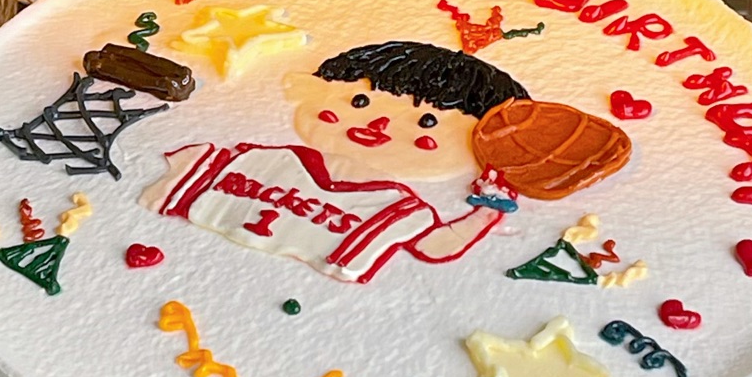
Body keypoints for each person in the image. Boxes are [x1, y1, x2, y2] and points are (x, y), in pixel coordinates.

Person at [141, 39, 529, 284]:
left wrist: (488, 211)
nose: (378, 124)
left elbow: (436, 245)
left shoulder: (400, 208)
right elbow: (183, 170)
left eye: (427, 121)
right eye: (360, 101)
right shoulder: (258, 159)